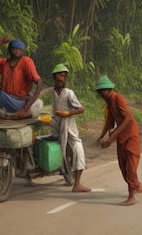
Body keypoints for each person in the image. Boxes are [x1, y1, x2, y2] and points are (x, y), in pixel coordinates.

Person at [96, 75, 142, 205]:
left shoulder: (118, 98)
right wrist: (102, 136)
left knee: (130, 165)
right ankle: (137, 186)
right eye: (100, 91)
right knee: (123, 165)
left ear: (109, 89)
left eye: (103, 90)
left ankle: (131, 196)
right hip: (121, 136)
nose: (101, 93)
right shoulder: (109, 103)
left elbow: (128, 119)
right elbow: (110, 122)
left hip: (130, 135)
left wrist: (111, 138)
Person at [0, 35, 43, 120]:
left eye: (19, 49)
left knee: (39, 103)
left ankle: (11, 115)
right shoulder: (4, 62)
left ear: (22, 51)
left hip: (19, 102)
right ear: (10, 50)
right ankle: (11, 116)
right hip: (4, 102)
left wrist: (25, 108)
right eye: (14, 49)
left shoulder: (27, 61)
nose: (16, 51)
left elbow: (39, 82)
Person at [50, 64, 90, 192]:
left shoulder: (69, 93)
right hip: (58, 126)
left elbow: (81, 109)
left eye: (64, 76)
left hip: (69, 127)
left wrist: (67, 113)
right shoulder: (52, 92)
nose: (61, 78)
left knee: (78, 150)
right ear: (54, 76)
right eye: (59, 75)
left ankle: (77, 183)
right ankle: (64, 172)